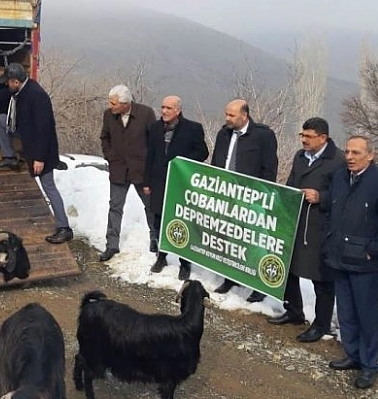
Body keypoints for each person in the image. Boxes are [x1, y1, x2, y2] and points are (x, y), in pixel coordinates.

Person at [0, 63, 73, 244]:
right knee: (1, 120)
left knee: (49, 187)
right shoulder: (19, 90)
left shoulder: (38, 96)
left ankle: (64, 228)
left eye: (8, 82)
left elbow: (44, 130)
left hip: (40, 147)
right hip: (24, 132)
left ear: (15, 81)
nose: (6, 86)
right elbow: (0, 95)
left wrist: (39, 158)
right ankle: (9, 157)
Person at [267, 117, 344, 342]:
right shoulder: (300, 157)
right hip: (296, 221)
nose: (303, 140)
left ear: (323, 138)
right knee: (289, 268)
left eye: (309, 137)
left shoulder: (337, 161)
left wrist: (321, 197)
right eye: (302, 135)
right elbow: (292, 182)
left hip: (320, 226)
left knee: (320, 278)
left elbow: (343, 196)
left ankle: (321, 325)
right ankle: (294, 311)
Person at [323, 135, 378, 390]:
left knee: (367, 316)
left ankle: (370, 365)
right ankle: (353, 354)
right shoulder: (339, 177)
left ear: (371, 155)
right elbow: (333, 209)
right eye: (347, 151)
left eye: (356, 152)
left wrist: (373, 250)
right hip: (339, 257)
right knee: (346, 313)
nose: (349, 156)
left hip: (364, 263)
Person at [211, 99, 278, 302]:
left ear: (244, 115)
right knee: (229, 239)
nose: (227, 118)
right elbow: (217, 161)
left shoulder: (263, 136)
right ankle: (230, 277)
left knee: (252, 241)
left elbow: (269, 168)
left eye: (231, 115)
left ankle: (258, 284)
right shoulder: (224, 133)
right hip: (226, 195)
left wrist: (262, 195)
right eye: (226, 114)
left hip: (251, 198)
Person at [144, 95, 209, 279]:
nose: (164, 111)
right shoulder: (155, 128)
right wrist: (147, 182)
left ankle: (185, 263)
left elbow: (202, 152)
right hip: (158, 182)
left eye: (168, 108)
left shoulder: (193, 129)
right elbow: (150, 156)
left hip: (180, 184)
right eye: (162, 107)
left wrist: (182, 163)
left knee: (181, 222)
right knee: (158, 221)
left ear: (178, 111)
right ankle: (162, 256)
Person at [97, 85, 157, 262]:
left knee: (150, 206)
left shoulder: (145, 114)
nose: (111, 106)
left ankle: (155, 238)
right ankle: (111, 245)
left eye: (114, 103)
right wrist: (109, 155)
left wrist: (150, 166)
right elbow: (104, 137)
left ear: (125, 104)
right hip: (118, 169)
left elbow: (154, 141)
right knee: (115, 207)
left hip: (141, 170)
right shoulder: (109, 115)